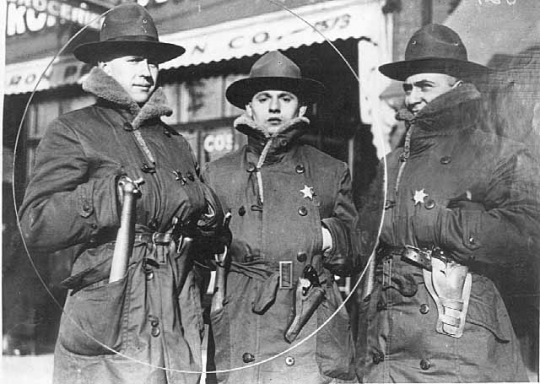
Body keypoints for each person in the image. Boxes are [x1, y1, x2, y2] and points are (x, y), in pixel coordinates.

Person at [18, 4, 225, 383]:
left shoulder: (173, 140)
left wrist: (207, 213)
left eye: (153, 62)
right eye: (134, 60)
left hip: (176, 304)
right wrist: (106, 197)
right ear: (105, 67)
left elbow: (198, 230)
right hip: (112, 309)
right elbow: (36, 224)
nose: (147, 72)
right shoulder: (73, 130)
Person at [355, 24, 540, 382]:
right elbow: (361, 245)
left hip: (456, 336)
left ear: (458, 86)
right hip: (388, 340)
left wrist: (438, 224)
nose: (412, 98)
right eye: (408, 88)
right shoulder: (391, 165)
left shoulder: (498, 153)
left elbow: (527, 233)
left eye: (425, 86)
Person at [202, 51, 358, 383]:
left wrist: (326, 236)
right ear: (249, 107)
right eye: (264, 98)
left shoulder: (330, 171)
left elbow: (353, 253)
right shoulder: (218, 174)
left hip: (308, 312)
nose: (274, 107)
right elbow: (200, 258)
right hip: (244, 316)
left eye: (285, 98)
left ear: (300, 108)